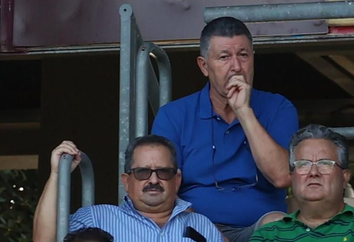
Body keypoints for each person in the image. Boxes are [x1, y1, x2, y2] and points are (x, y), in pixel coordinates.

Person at [151, 17, 295, 242]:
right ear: (204, 66)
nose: (236, 66)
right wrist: (208, 232)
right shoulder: (174, 116)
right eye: (224, 57)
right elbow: (161, 188)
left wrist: (244, 111)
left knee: (280, 227)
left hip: (261, 227)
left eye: (243, 55)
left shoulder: (278, 107)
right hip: (195, 228)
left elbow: (282, 177)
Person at [32, 135, 226, 242]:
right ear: (126, 181)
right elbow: (44, 239)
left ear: (177, 179)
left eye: (163, 172)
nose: (153, 180)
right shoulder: (96, 219)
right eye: (142, 172)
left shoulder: (201, 225)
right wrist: (57, 175)